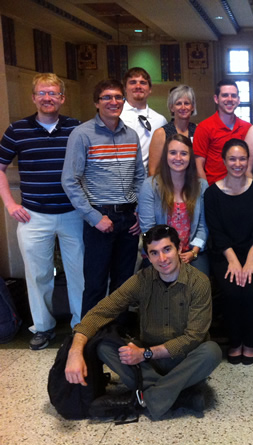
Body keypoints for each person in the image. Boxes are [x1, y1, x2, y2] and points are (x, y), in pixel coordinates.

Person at [64, 225, 222, 420]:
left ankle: (143, 398)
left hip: (184, 359)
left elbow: (193, 338)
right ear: (147, 256)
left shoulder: (198, 282)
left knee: (211, 351)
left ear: (179, 249)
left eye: (167, 249)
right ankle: (179, 395)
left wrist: (145, 353)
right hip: (149, 361)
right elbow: (101, 311)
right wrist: (75, 350)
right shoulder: (142, 280)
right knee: (103, 345)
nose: (162, 259)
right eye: (154, 253)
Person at [0, 73, 84, 350]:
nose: (48, 98)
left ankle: (80, 328)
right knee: (38, 275)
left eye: (53, 93)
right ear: (34, 97)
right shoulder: (17, 130)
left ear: (62, 97)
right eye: (42, 93)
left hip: (73, 214)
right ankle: (44, 327)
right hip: (34, 215)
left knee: (78, 273)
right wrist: (10, 205)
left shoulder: (76, 128)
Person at [62, 79, 145, 317]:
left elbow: (139, 176)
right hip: (100, 219)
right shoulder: (82, 134)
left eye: (118, 97)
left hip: (129, 219)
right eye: (107, 97)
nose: (113, 102)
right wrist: (94, 217)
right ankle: (88, 342)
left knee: (123, 286)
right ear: (96, 103)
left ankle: (114, 339)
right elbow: (69, 180)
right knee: (96, 285)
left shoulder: (131, 135)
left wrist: (139, 211)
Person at [204, 139, 253, 365]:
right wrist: (233, 261)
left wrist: (250, 261)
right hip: (225, 252)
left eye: (242, 158)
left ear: (248, 160)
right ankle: (235, 342)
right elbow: (216, 231)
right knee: (232, 290)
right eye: (232, 158)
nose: (237, 163)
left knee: (252, 289)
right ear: (223, 161)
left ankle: (251, 342)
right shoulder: (212, 193)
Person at [139, 134, 209, 275]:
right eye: (173, 153)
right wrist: (169, 254)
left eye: (183, 153)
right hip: (159, 251)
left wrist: (194, 251)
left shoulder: (201, 185)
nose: (178, 158)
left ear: (190, 158)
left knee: (200, 283)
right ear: (165, 156)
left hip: (191, 251)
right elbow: (148, 228)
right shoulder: (150, 186)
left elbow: (203, 226)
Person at [193, 79, 251, 185]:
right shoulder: (204, 127)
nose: (230, 99)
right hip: (214, 189)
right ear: (216, 99)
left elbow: (250, 164)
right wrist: (206, 191)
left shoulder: (247, 128)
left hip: (241, 189)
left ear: (238, 100)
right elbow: (198, 165)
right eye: (225, 95)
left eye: (233, 96)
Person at [120, 67, 168, 171]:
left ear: (150, 89)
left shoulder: (160, 120)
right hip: (120, 178)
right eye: (132, 82)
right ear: (124, 88)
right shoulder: (116, 117)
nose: (138, 86)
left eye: (143, 83)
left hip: (148, 179)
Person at [148, 85, 197, 176]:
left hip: (193, 185)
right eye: (178, 103)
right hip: (167, 186)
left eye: (186, 103)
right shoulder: (161, 133)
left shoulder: (198, 131)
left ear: (192, 107)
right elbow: (152, 171)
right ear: (171, 108)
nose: (183, 107)